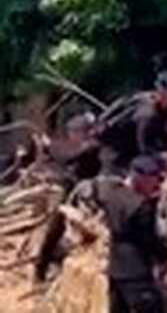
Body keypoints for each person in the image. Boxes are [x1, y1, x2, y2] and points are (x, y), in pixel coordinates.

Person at [34, 112, 103, 283]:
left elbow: (66, 158)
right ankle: (42, 268)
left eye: (74, 132)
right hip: (74, 188)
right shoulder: (87, 144)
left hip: (84, 192)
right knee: (56, 228)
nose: (71, 136)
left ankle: (43, 267)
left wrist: (49, 145)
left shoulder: (92, 145)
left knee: (58, 227)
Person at [100, 155, 167, 313]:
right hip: (137, 272)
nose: (157, 183)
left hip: (116, 269)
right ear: (141, 177)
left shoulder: (112, 195)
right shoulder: (141, 207)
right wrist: (165, 256)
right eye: (155, 178)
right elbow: (148, 240)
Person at [97, 72, 167, 175]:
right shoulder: (148, 114)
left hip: (124, 152)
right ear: (163, 92)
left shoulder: (147, 98)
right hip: (119, 158)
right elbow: (145, 148)